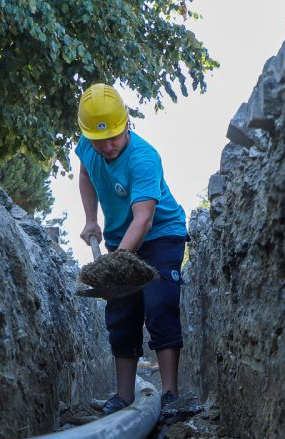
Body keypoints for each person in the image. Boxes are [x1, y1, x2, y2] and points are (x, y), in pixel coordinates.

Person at [75, 83, 187, 415]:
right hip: (121, 237)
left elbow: (145, 218)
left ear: (126, 124)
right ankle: (123, 396)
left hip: (161, 234)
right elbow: (85, 173)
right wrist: (91, 219)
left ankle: (170, 394)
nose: (107, 146)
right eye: (99, 140)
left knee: (159, 301)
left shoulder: (143, 158)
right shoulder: (88, 146)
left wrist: (116, 264)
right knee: (121, 310)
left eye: (114, 137)